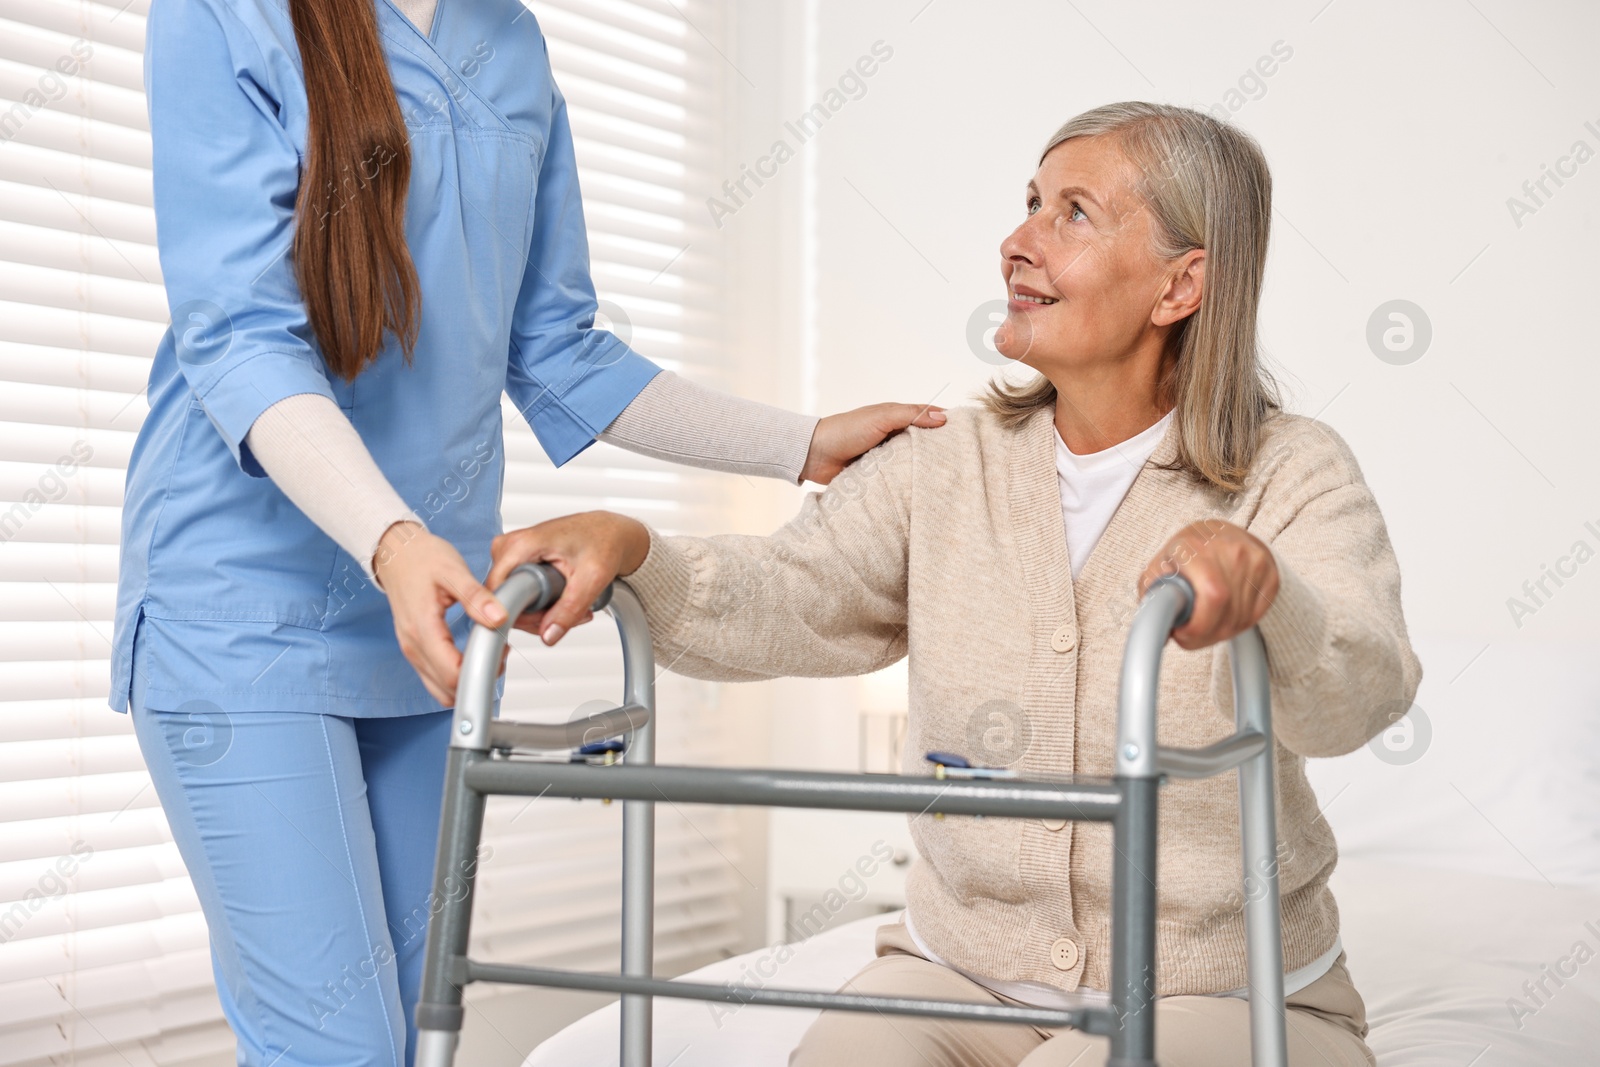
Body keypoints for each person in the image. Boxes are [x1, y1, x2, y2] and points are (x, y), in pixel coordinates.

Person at [490, 102, 1423, 1067]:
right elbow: (789, 593)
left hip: (1216, 990)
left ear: (1180, 286)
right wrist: (637, 546)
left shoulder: (1291, 472)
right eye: (1029, 204)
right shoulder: (947, 462)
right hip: (956, 972)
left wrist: (1271, 594)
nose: (1018, 243)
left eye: (1073, 214)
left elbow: (1366, 682)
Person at [113, 1, 943, 1064]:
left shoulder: (506, 42)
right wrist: (392, 540)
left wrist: (803, 441)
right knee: (337, 1047)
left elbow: (559, 343)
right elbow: (237, 338)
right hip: (244, 610)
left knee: (422, 1035)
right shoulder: (221, 18)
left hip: (438, 623)